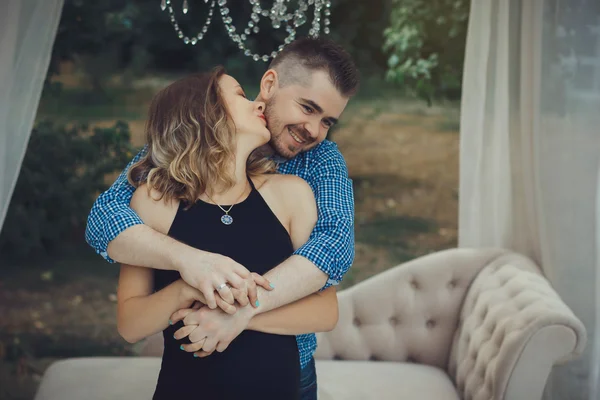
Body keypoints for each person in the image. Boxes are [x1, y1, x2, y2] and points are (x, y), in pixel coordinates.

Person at [85, 36, 359, 399]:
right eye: (307, 108)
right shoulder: (177, 153)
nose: (314, 130)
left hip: (288, 369)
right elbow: (105, 218)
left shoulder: (316, 164)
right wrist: (189, 264)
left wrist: (238, 315)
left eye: (328, 121)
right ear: (270, 84)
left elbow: (333, 248)